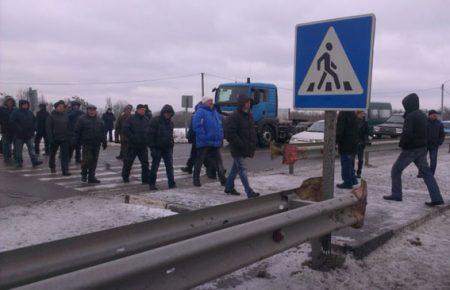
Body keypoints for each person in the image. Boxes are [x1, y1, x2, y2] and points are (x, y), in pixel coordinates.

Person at [383, 93, 444, 207]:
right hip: (422, 148)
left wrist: (402, 144)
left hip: (411, 149)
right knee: (427, 174)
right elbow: (427, 131)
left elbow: (407, 133)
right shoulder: (422, 115)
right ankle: (437, 197)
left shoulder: (410, 116)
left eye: (405, 104)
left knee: (396, 170)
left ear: (408, 104)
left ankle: (396, 194)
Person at [224, 95, 260, 198]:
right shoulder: (234, 116)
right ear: (242, 103)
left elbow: (251, 131)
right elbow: (230, 133)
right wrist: (241, 144)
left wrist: (254, 142)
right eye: (246, 102)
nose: (248, 104)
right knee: (243, 170)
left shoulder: (249, 115)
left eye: (249, 102)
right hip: (237, 148)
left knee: (235, 169)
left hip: (245, 147)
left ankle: (228, 187)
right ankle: (249, 192)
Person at [192, 96, 227, 187]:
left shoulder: (215, 112)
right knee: (199, 161)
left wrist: (221, 135)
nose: (211, 102)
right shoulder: (200, 112)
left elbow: (220, 124)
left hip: (215, 142)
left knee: (218, 161)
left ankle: (223, 179)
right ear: (204, 102)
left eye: (212, 101)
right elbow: (197, 126)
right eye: (209, 101)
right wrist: (204, 137)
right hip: (204, 142)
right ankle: (196, 179)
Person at [73, 105, 107, 183]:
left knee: (94, 160)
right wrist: (75, 141)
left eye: (93, 110)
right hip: (86, 143)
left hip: (96, 143)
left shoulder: (99, 120)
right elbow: (77, 131)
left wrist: (104, 141)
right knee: (87, 160)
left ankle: (91, 177)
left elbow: (103, 132)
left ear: (95, 111)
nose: (92, 112)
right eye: (90, 110)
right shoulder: (82, 119)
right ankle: (84, 174)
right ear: (87, 111)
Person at [148, 104, 176, 190]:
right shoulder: (155, 121)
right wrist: (152, 148)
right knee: (155, 167)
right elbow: (150, 135)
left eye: (169, 113)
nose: (167, 114)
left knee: (170, 166)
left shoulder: (171, 123)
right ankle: (152, 184)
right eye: (166, 112)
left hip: (167, 148)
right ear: (163, 112)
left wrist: (171, 144)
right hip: (157, 147)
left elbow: (170, 135)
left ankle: (171, 183)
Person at [9, 100, 43, 168]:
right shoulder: (15, 112)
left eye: (26, 104)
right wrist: (19, 129)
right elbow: (12, 122)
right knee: (18, 150)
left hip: (29, 135)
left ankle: (34, 161)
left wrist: (34, 128)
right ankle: (19, 162)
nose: (25, 105)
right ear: (20, 105)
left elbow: (35, 120)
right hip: (19, 135)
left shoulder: (30, 112)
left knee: (31, 149)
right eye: (24, 104)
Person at [121, 104, 150, 184]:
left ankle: (145, 179)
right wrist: (132, 137)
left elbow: (149, 130)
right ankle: (125, 177)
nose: (143, 111)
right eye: (141, 110)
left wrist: (148, 139)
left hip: (143, 145)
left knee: (145, 163)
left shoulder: (146, 119)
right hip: (132, 145)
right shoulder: (131, 118)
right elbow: (125, 129)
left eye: (144, 110)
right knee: (128, 162)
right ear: (137, 110)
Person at [417, 110, 445, 177]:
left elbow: (442, 134)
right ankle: (421, 173)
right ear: (429, 115)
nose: (435, 116)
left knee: (433, 160)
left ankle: (431, 174)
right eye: (433, 115)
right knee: (422, 159)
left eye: (436, 115)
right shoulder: (424, 122)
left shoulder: (439, 123)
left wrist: (439, 142)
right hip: (424, 145)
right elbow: (419, 133)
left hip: (434, 145)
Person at [46, 100, 71, 175]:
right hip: (55, 138)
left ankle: (65, 170)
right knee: (52, 154)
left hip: (64, 138)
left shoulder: (66, 116)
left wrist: (69, 136)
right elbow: (48, 128)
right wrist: (50, 139)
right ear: (56, 107)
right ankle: (52, 167)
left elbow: (68, 127)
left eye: (62, 107)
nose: (61, 108)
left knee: (65, 155)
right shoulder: (51, 116)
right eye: (59, 107)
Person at [336, 111, 358, 189]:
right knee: (349, 163)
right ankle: (353, 180)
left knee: (346, 163)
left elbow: (339, 130)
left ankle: (347, 182)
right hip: (353, 142)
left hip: (345, 143)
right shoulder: (353, 113)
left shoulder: (343, 114)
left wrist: (335, 141)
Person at [0, 96, 16, 164]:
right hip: (5, 129)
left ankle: (16, 157)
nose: (10, 102)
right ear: (6, 102)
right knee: (6, 145)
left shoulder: (16, 109)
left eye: (11, 101)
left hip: (14, 130)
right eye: (8, 101)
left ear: (13, 102)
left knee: (16, 144)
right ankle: (7, 158)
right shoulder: (1, 109)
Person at [355, 110, 370, 178]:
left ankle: (359, 172)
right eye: (361, 114)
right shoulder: (353, 122)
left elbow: (367, 133)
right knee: (352, 159)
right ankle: (352, 171)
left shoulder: (365, 123)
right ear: (357, 114)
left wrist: (366, 140)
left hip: (361, 143)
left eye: (363, 114)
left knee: (360, 159)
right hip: (354, 143)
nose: (362, 115)